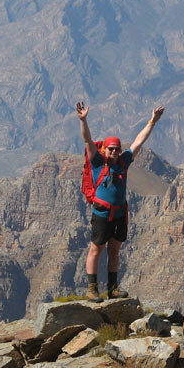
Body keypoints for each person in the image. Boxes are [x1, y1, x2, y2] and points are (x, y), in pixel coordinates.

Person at [76, 100, 165, 301]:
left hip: (119, 214)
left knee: (115, 250)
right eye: (111, 149)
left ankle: (113, 288)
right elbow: (88, 141)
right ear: (105, 150)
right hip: (102, 213)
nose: (115, 152)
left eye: (117, 149)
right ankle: (92, 289)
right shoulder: (98, 162)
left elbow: (138, 142)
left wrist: (152, 121)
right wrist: (83, 121)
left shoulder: (124, 161)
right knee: (96, 249)